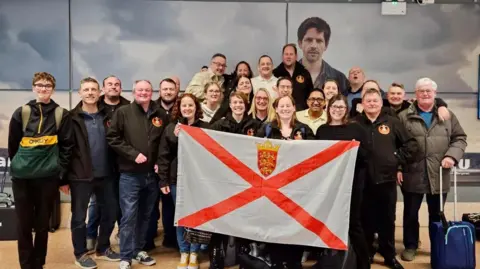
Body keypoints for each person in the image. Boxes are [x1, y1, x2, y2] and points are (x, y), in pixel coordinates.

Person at [8, 72, 74, 269]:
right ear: (33, 88)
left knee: (43, 224)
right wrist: (22, 166)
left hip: (48, 178)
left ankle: (38, 263)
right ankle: (26, 264)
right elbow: (13, 146)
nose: (43, 88)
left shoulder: (62, 114)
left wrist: (59, 173)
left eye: (47, 85)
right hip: (22, 179)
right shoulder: (22, 112)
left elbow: (67, 146)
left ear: (52, 89)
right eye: (40, 85)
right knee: (24, 224)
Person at [397, 78, 467, 262]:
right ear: (416, 94)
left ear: (435, 94)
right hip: (412, 172)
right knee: (411, 213)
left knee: (437, 214)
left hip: (439, 173)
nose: (425, 94)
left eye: (429, 91)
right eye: (421, 91)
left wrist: (452, 156)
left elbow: (459, 138)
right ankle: (411, 246)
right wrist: (398, 167)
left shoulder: (448, 115)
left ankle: (438, 246)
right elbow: (396, 144)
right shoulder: (404, 117)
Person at [355, 89, 419, 269]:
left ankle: (389, 255)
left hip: (386, 181)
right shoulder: (355, 123)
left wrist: (396, 158)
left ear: (381, 103)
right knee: (365, 220)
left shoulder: (392, 122)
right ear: (363, 103)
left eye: (375, 100)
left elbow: (411, 144)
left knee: (387, 220)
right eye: (369, 101)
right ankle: (366, 254)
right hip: (363, 181)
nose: (372, 103)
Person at [106, 80, 167, 269]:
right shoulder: (123, 112)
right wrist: (133, 155)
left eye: (147, 90)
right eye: (140, 90)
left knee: (146, 216)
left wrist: (158, 162)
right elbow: (112, 138)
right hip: (130, 175)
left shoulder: (160, 114)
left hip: (151, 176)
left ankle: (138, 250)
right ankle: (125, 256)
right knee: (129, 216)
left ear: (152, 92)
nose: (144, 93)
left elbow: (165, 142)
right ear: (133, 92)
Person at [65, 77, 121, 268]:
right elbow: (65, 149)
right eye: (86, 89)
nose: (90, 93)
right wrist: (63, 178)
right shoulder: (70, 118)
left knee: (111, 212)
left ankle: (103, 247)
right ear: (80, 93)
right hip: (80, 176)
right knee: (79, 217)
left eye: (93, 90)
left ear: (100, 93)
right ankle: (80, 253)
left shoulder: (109, 116)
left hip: (107, 174)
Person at [256, 95, 314, 269]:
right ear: (276, 108)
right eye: (281, 106)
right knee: (275, 223)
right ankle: (276, 260)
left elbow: (316, 155)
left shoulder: (304, 130)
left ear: (294, 107)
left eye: (288, 105)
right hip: (273, 186)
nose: (285, 109)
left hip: (298, 187)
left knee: (295, 223)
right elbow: (254, 152)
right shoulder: (266, 129)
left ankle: (294, 261)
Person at [315, 94, 370, 269]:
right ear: (328, 109)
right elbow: (318, 159)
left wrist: (355, 148)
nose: (337, 110)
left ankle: (364, 263)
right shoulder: (322, 131)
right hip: (329, 185)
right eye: (334, 107)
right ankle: (327, 261)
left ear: (346, 110)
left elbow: (367, 157)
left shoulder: (356, 129)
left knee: (354, 223)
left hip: (352, 184)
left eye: (341, 107)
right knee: (328, 222)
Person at [209, 92, 263, 269]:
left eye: (241, 102)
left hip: (248, 181)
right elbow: (206, 143)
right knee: (221, 217)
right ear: (229, 105)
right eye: (235, 102)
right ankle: (217, 257)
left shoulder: (255, 125)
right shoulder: (219, 124)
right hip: (224, 180)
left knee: (245, 219)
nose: (238, 105)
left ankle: (244, 257)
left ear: (246, 105)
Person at [158, 93, 210, 269]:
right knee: (180, 217)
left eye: (190, 105)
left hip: (198, 180)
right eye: (184, 106)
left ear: (196, 107)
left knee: (195, 217)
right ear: (179, 108)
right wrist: (163, 181)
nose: (187, 108)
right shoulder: (171, 128)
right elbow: (163, 156)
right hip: (176, 180)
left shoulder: (205, 128)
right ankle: (184, 252)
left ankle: (194, 253)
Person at [87, 75, 130, 251]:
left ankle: (121, 233)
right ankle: (90, 235)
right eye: (110, 84)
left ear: (121, 88)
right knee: (97, 203)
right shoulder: (95, 106)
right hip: (100, 163)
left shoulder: (128, 106)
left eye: (117, 84)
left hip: (123, 162)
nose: (114, 87)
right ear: (103, 89)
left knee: (120, 202)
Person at [296, 17, 348, 94]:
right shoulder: (287, 75)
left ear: (326, 45)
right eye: (309, 40)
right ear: (300, 43)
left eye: (319, 41)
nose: (313, 46)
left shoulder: (340, 79)